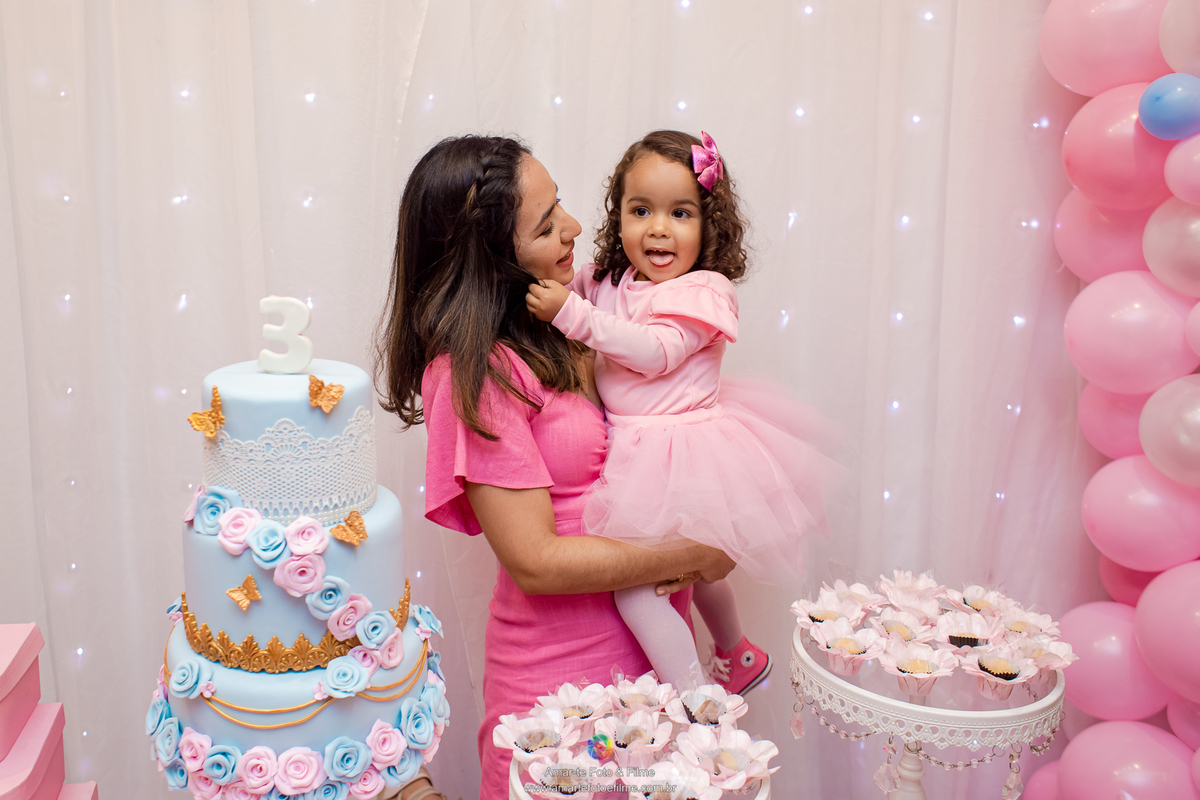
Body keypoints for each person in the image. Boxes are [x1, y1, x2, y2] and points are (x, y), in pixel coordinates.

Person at [374, 134, 735, 800]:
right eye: (545, 226)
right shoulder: (471, 373)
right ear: (492, 258)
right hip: (558, 689)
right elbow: (536, 560)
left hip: (652, 670)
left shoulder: (568, 316)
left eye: (560, 204)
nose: (573, 227)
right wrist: (688, 554)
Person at [526, 129, 842, 694]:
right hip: (631, 448)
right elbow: (556, 282)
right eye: (640, 210)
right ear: (617, 216)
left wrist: (571, 315)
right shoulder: (609, 280)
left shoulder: (703, 292)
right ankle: (738, 651)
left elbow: (654, 352)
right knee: (684, 572)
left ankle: (698, 701)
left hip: (683, 451)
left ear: (708, 225)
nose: (659, 229)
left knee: (643, 588)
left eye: (681, 213)